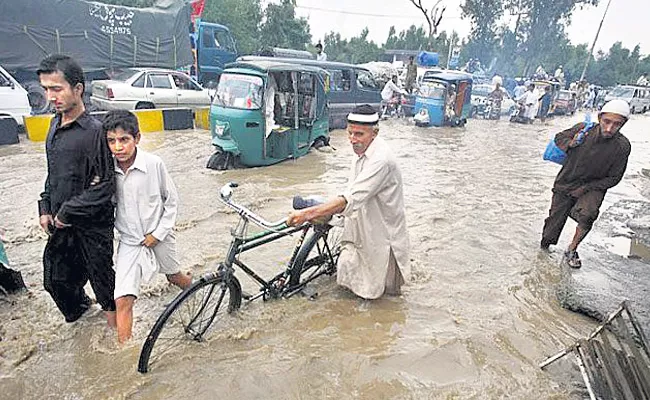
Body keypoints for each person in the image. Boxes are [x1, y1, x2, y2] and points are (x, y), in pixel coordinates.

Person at [286, 105, 410, 299]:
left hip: (381, 227)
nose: (353, 139)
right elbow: (352, 189)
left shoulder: (381, 159)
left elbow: (351, 198)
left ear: (374, 133)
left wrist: (306, 214)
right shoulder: (360, 151)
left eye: (359, 134)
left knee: (381, 287)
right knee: (354, 270)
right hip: (360, 216)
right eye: (350, 133)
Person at [37, 55, 117, 324]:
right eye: (46, 89)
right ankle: (83, 317)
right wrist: (45, 207)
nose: (50, 97)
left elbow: (106, 185)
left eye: (57, 89)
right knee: (55, 280)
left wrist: (69, 210)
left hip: (92, 226)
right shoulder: (53, 126)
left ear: (78, 89)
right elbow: (53, 173)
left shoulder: (96, 132)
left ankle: (117, 344)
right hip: (60, 223)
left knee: (104, 286)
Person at [103, 110, 192, 343]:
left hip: (159, 235)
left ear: (137, 138)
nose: (118, 147)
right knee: (122, 299)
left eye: (124, 140)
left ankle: (198, 292)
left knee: (175, 277)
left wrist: (158, 233)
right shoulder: (106, 171)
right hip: (130, 242)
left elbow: (171, 201)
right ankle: (125, 352)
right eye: (111, 141)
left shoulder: (154, 164)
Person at [541, 100, 632, 268]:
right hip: (566, 181)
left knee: (588, 215)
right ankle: (544, 249)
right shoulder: (584, 129)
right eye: (607, 122)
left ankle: (572, 248)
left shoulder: (622, 146)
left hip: (593, 186)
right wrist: (571, 143)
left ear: (623, 124)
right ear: (599, 118)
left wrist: (586, 189)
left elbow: (614, 178)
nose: (609, 128)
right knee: (553, 223)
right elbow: (559, 137)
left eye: (616, 124)